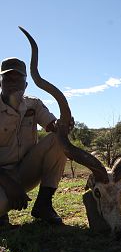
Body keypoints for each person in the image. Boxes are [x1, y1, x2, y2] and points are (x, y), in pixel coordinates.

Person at [0, 57, 70, 227]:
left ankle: (43, 205)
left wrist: (62, 124)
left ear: (25, 85)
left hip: (25, 171)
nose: (13, 83)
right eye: (7, 79)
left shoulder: (34, 104)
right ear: (0, 83)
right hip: (1, 177)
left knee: (58, 138)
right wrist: (9, 184)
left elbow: (52, 124)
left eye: (18, 79)